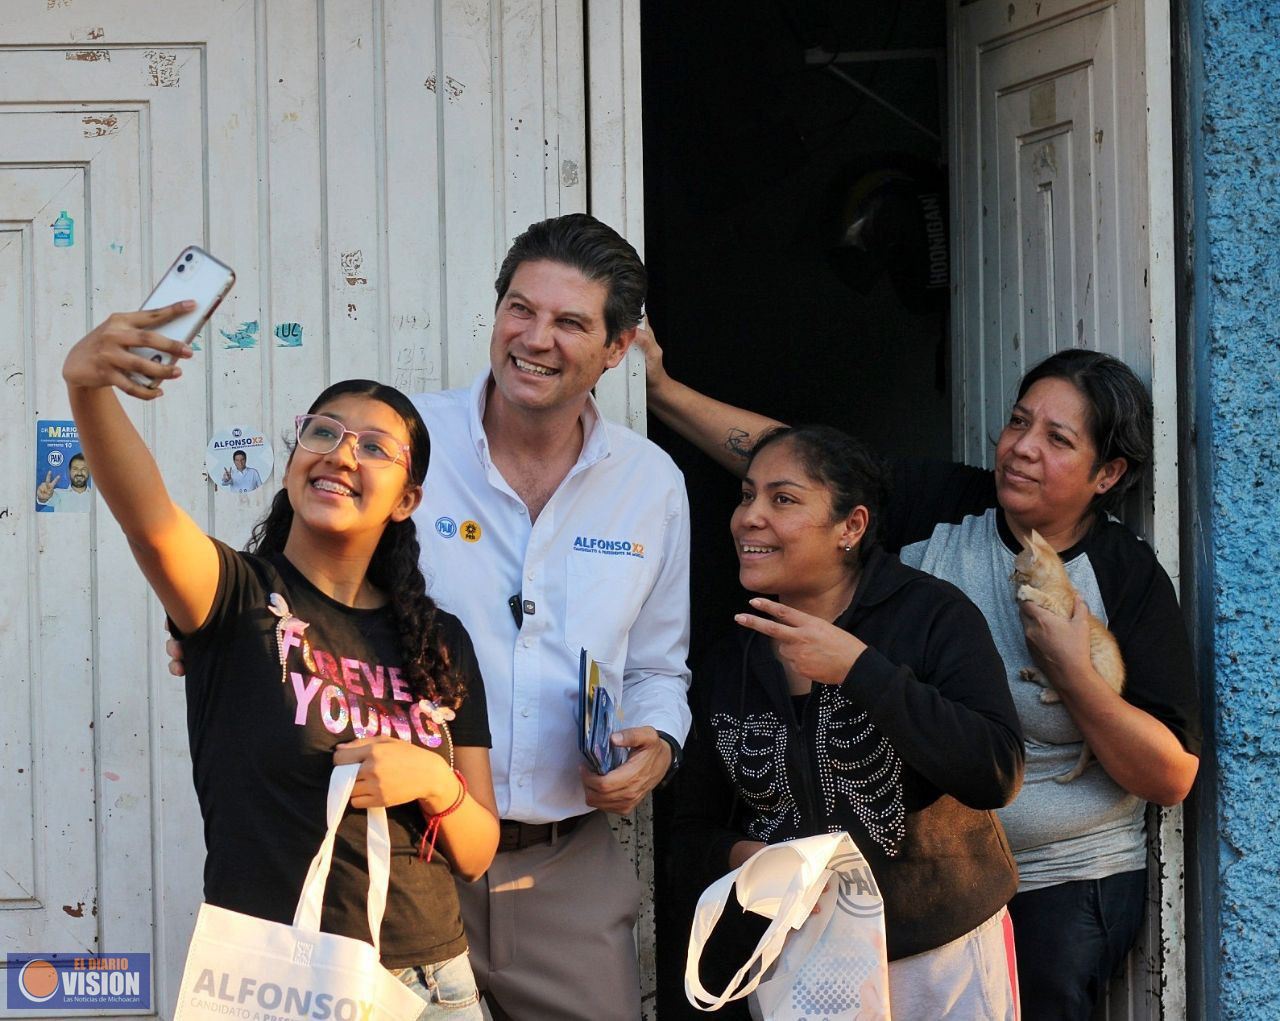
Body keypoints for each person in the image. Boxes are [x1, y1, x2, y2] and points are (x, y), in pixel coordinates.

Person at [169, 214, 692, 1020]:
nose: (535, 338)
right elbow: (301, 572)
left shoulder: (650, 484)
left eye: (570, 322)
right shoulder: (406, 443)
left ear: (617, 348)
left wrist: (655, 743)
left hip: (562, 870)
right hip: (392, 868)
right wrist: (216, 637)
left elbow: (661, 666)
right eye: (521, 308)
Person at [642, 331, 1201, 1020]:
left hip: (1059, 880)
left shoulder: (1123, 573)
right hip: (881, 897)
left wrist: (1071, 671)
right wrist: (661, 391)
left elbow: (1170, 775)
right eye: (1019, 422)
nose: (1023, 446)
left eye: (1058, 439)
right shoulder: (948, 508)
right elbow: (811, 468)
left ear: (1107, 474)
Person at [62, 308, 500, 1019]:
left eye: (375, 447)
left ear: (407, 500)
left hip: (429, 982)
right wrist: (88, 391)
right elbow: (148, 518)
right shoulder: (233, 600)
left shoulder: (439, 643)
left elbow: (478, 850)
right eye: (322, 432)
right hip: (274, 982)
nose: (341, 453)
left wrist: (433, 778)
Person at [674, 424, 1024, 1019]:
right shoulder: (729, 659)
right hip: (797, 960)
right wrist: (748, 858)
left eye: (782, 499)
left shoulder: (932, 616)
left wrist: (860, 670)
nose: (749, 517)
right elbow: (688, 833)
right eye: (746, 495)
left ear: (851, 527)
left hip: (943, 958)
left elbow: (995, 771)